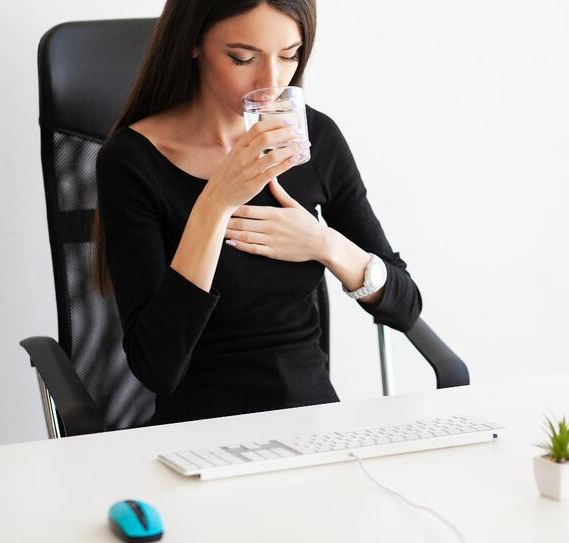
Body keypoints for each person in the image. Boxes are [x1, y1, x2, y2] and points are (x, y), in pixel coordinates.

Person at [94, 0, 422, 425]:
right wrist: (216, 203)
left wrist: (324, 244)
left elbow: (405, 305)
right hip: (199, 432)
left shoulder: (314, 138)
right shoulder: (132, 160)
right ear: (193, 44)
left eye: (289, 56)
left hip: (313, 424)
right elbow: (157, 367)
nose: (271, 82)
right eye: (243, 58)